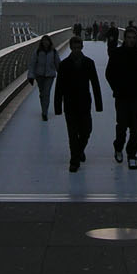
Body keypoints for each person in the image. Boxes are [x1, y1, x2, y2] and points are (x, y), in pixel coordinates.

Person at [53, 34, 102, 172]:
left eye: (78, 47)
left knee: (87, 130)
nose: (75, 50)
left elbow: (95, 84)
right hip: (69, 103)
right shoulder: (64, 65)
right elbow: (59, 87)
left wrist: (99, 105)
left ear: (81, 47)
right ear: (70, 48)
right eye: (73, 47)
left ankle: (79, 150)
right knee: (72, 134)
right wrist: (57, 107)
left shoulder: (89, 63)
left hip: (85, 103)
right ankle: (74, 161)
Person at [105, 24, 137, 169]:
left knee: (136, 128)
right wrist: (116, 89)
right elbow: (109, 74)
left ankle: (132, 155)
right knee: (122, 125)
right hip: (122, 96)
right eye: (129, 38)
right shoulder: (117, 54)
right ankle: (118, 147)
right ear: (124, 38)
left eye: (133, 38)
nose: (131, 40)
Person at [27, 35, 59, 120]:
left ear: (49, 42)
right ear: (42, 42)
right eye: (44, 41)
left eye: (47, 41)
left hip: (50, 75)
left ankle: (45, 113)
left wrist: (63, 75)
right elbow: (32, 64)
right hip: (39, 75)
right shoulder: (37, 52)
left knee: (46, 93)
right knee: (42, 93)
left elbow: (58, 64)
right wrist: (31, 76)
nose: (45, 43)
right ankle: (44, 108)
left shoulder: (54, 52)